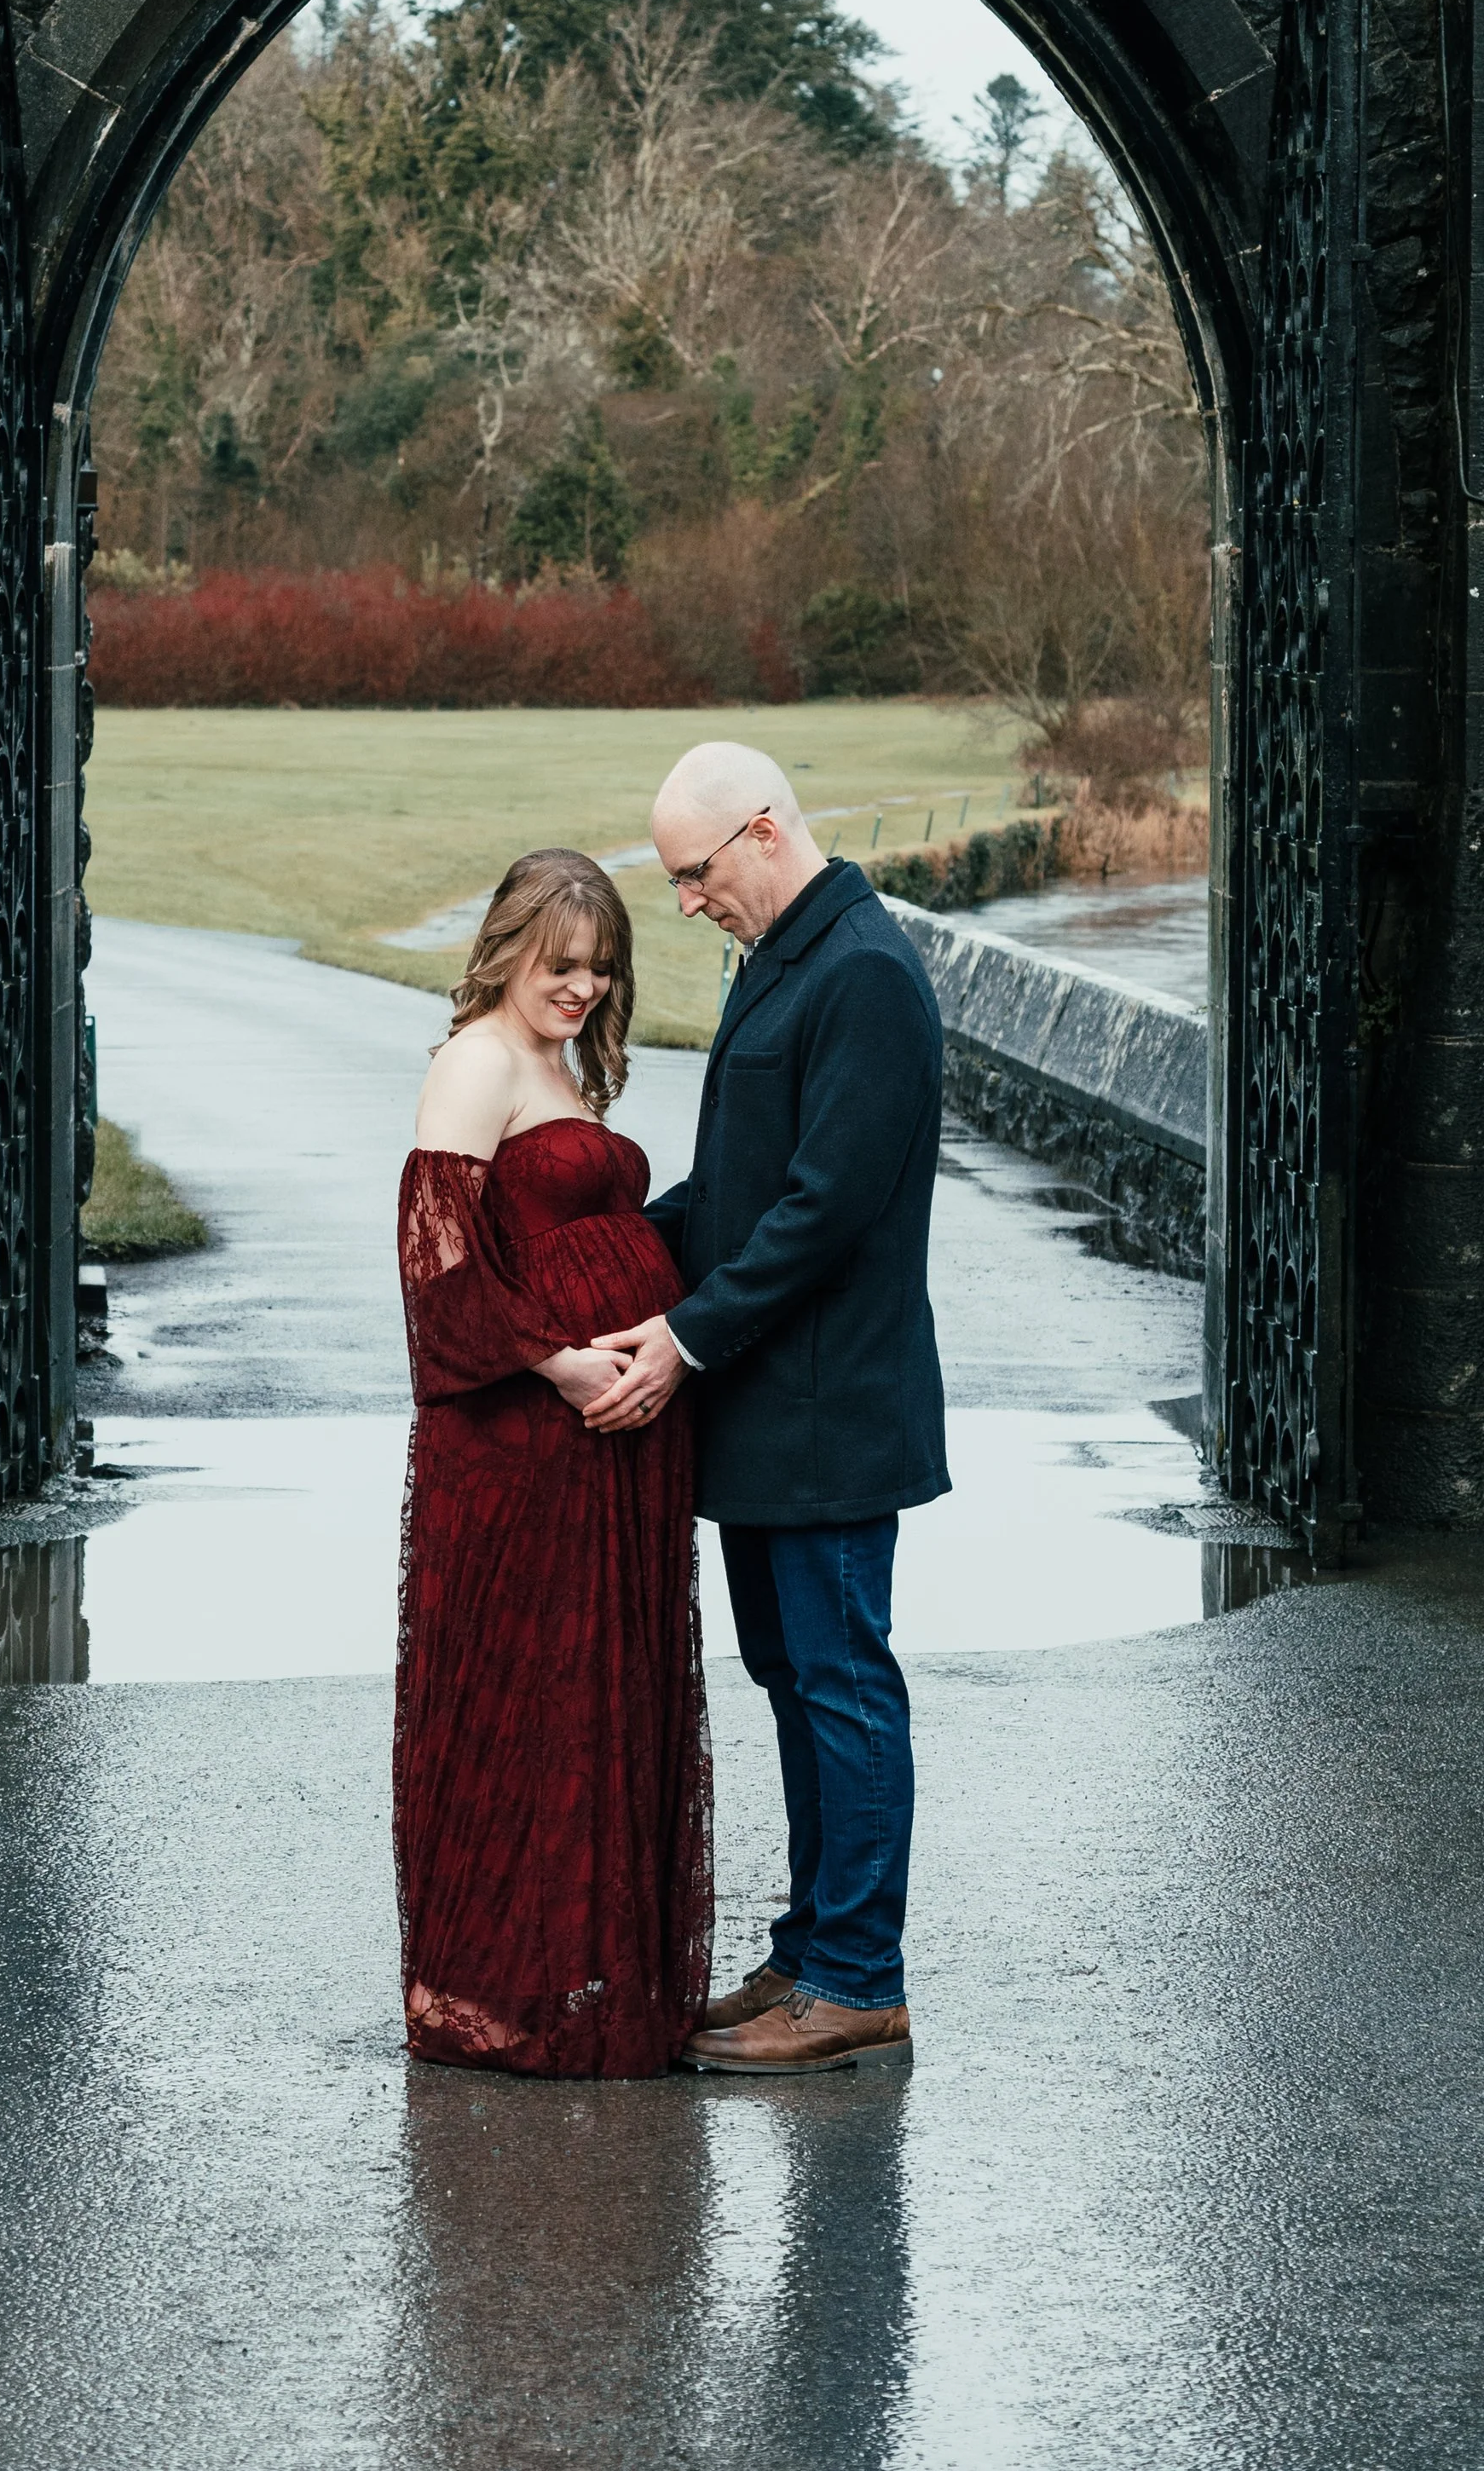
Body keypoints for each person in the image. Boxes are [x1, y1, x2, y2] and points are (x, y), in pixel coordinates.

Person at [585, 743, 947, 2075]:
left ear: (762, 831)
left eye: (694, 873)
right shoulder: (784, 959)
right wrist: (597, 1253)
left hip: (832, 1414)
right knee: (796, 1683)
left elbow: (821, 1214)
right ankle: (809, 1953)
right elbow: (735, 1191)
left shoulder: (864, 974)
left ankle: (859, 1981)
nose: (686, 902)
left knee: (843, 1687)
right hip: (771, 1416)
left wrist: (684, 1337)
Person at [394, 846, 713, 2076]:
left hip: (604, 1448)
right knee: (527, 1700)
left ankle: (587, 1981)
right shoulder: (477, 1061)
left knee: (595, 1700)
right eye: (562, 964)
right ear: (509, 948)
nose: (583, 987)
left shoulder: (558, 1063)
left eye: (602, 968)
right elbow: (438, 1266)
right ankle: (501, 1993)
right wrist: (562, 1364)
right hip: (526, 1444)